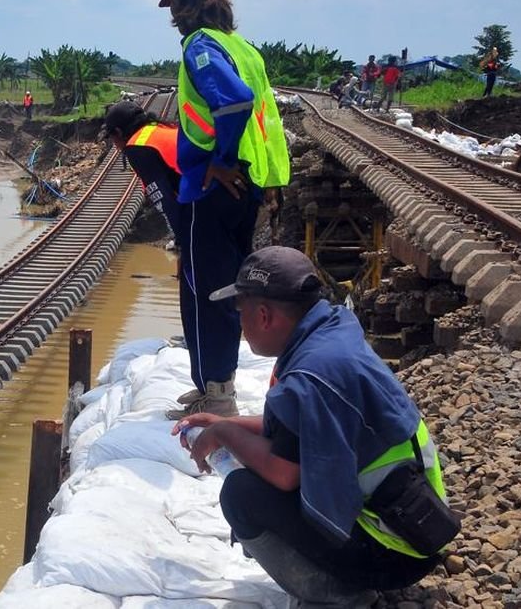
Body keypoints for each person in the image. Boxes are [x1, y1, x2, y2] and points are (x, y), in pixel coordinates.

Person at [174, 246, 448, 606]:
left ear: (264, 315)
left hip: (392, 551)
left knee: (241, 493)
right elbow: (302, 427)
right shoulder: (332, 336)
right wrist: (227, 421)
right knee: (258, 469)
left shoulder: (308, 376)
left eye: (241, 314)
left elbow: (285, 473)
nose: (240, 326)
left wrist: (223, 434)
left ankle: (337, 595)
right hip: (421, 526)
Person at [158, 0, 290, 419]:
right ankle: (218, 385)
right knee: (226, 288)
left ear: (187, 3)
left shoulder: (199, 45)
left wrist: (218, 161)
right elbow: (263, 118)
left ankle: (216, 394)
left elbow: (234, 101)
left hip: (212, 188)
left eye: (175, 3)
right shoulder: (243, 47)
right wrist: (266, 181)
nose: (173, 15)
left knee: (202, 289)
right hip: (247, 186)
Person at [103, 100, 181, 235]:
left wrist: (181, 241)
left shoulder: (138, 148)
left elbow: (165, 201)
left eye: (112, 138)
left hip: (205, 203)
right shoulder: (164, 128)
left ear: (118, 132)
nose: (115, 145)